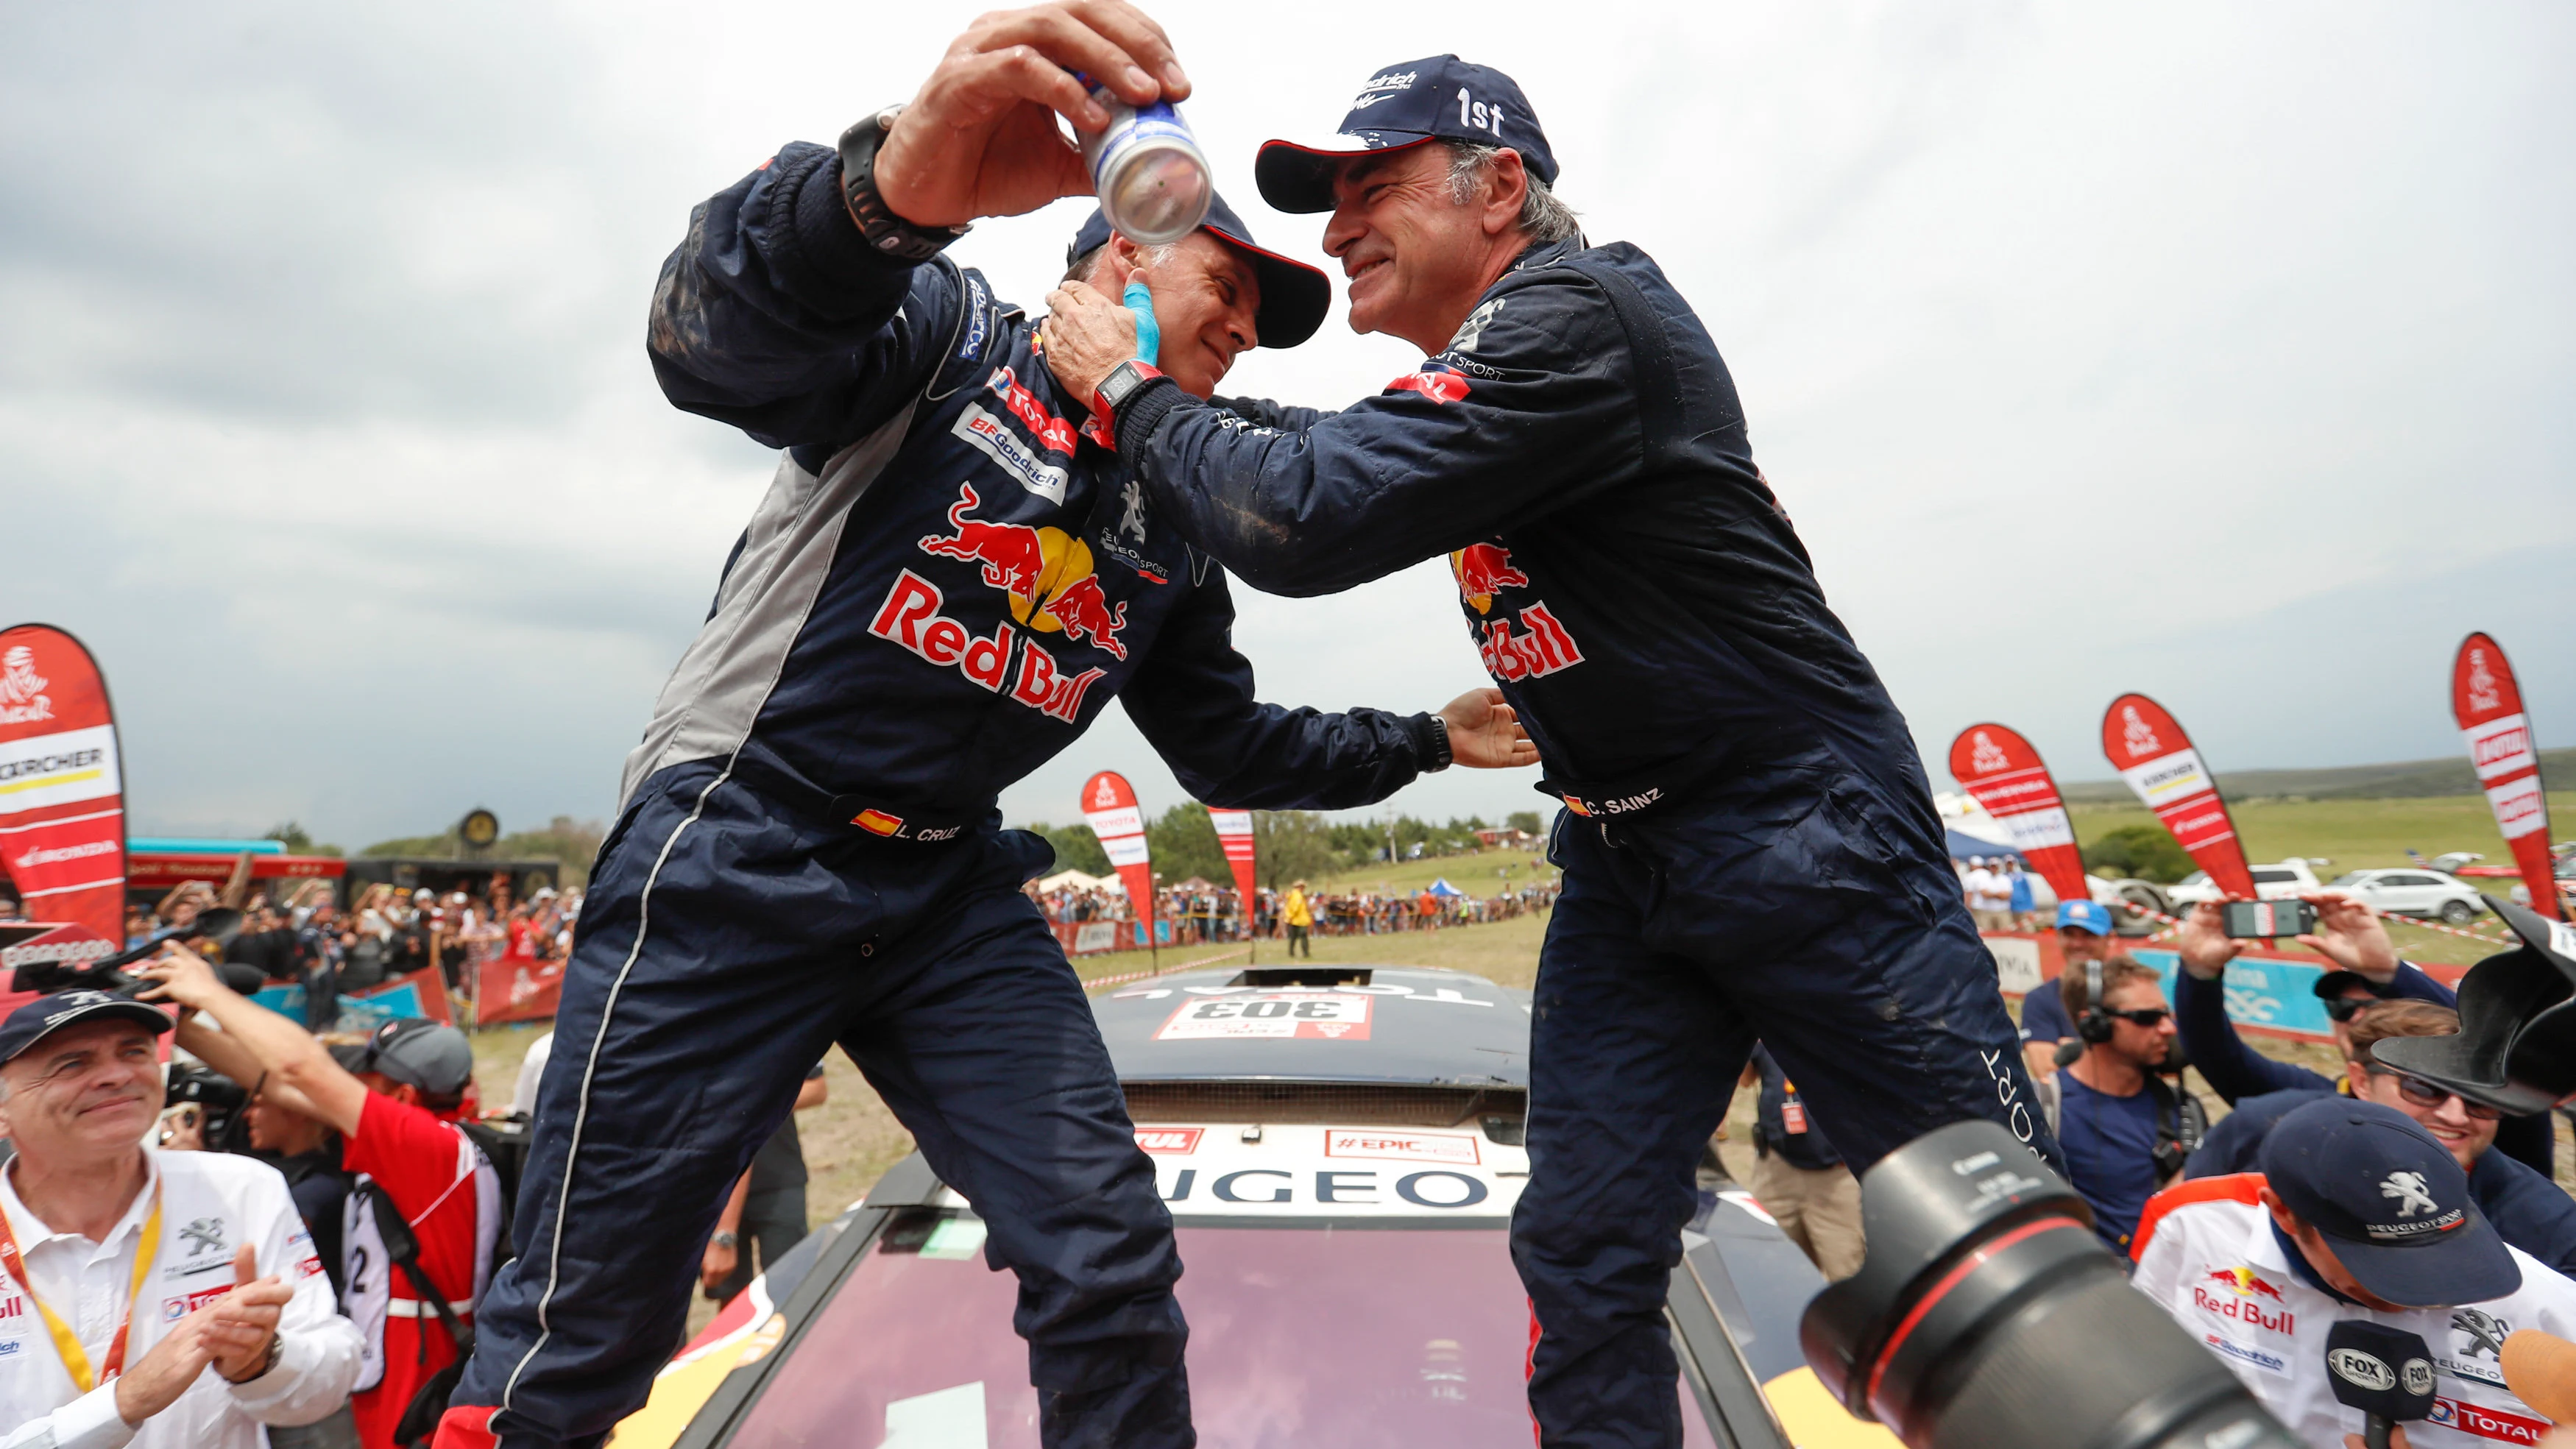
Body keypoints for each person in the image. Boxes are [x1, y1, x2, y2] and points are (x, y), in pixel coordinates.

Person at [436, 10, 1540, 1446]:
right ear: (1115, 250)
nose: (1242, 322)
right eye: (1228, 280)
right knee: (581, 1335)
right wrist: (884, 192)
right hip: (743, 840)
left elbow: (1229, 751)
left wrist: (1427, 740)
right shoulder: (950, 337)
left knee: (1109, 1261)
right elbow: (708, 342)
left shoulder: (1176, 518)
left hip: (946, 889)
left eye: (1265, 318)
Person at [1040, 49, 2059, 1444]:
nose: (1335, 230)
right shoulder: (1493, 361)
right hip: (1627, 854)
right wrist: (1151, 407)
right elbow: (1302, 452)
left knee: (2001, 1254)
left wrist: (1131, 395)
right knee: (1579, 1250)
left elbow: (1305, 512)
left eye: (1373, 188)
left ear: (1500, 186)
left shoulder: (1578, 309)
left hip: (1801, 830)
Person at [141, 952, 503, 1449]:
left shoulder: (429, 1148)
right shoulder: (433, 1144)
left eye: (370, 1074)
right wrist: (176, 1026)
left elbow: (299, 1067)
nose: (355, 1082)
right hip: (394, 1380)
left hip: (412, 1395)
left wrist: (208, 992)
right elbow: (272, 1080)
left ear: (402, 1096)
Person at [0, 991, 361, 1449]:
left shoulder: (242, 1189)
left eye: (134, 1051)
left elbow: (331, 1381)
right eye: (72, 1064)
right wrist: (125, 1402)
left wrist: (261, 1363)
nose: (116, 1075)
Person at [2130, 1098, 2576, 1448]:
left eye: (2436, 1254)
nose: (2419, 1285)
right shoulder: (2189, 1228)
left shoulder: (2543, 1303)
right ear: (2284, 1213)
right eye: (2382, 1263)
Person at [2173, 892, 2554, 1178]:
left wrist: (2390, 973)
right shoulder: (2315, 1098)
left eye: (2374, 1005)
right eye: (2339, 1008)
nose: (2355, 1017)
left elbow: (2494, 1047)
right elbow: (2218, 1056)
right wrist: (2199, 975)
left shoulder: (2487, 1108)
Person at [2185, 1000, 2576, 1278]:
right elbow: (2182, 1227)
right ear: (2361, 1082)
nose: (2455, 1115)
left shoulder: (2550, 1224)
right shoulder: (2260, 1128)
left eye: (2482, 1099)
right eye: (2423, 1088)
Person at [2037, 957, 2201, 1254]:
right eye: (2148, 1018)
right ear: (2095, 1025)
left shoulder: (2184, 1109)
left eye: (2166, 1015)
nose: (2167, 1028)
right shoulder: (2045, 1110)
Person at [701, 1063, 827, 1303]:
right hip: (719, 1186)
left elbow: (817, 1089)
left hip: (778, 1178)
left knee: (793, 1289)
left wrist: (749, 1107)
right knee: (732, 1300)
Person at [1739, 1044, 1863, 1280]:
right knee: (1774, 1270)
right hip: (1776, 1170)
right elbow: (1746, 1079)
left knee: (1847, 1279)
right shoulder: (1767, 1020)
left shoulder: (1848, 1021)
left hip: (1836, 1177)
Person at [2018, 898, 2117, 1080]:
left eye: (2089, 935)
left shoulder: (2127, 993)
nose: (2077, 944)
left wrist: (2071, 1051)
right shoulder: (2039, 999)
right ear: (2058, 938)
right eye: (2069, 934)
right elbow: (2047, 1073)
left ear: (2110, 939)